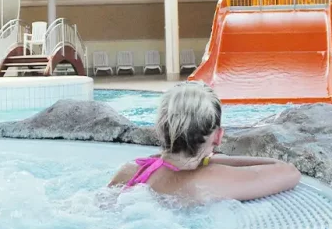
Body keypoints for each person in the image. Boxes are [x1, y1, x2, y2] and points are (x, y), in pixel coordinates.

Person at [108, 81, 300, 203]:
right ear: (218, 136)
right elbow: (288, 172)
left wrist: (206, 160)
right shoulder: (208, 180)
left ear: (160, 129)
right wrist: (212, 160)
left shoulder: (129, 170)